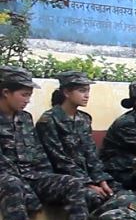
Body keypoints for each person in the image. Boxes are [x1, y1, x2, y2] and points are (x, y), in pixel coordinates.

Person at [1, 65, 94, 220]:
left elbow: (38, 154)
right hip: (7, 178)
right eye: (24, 94)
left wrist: (47, 178)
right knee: (12, 184)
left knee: (72, 183)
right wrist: (27, 189)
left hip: (31, 176)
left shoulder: (25, 118)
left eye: (29, 95)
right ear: (6, 92)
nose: (27, 100)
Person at [35, 70, 114, 210]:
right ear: (66, 92)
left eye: (88, 91)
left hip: (88, 177)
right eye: (82, 91)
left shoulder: (84, 119)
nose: (87, 95)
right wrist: (88, 184)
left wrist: (101, 181)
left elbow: (91, 154)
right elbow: (59, 159)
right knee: (95, 198)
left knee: (122, 194)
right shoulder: (49, 120)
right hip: (64, 179)